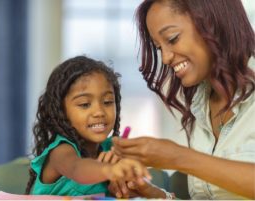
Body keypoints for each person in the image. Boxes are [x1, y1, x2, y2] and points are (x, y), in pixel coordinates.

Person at [112, 0, 255, 199]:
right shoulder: (201, 105)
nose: (165, 58)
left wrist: (179, 157)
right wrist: (155, 195)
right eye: (159, 47)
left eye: (172, 39)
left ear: (213, 22)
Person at [25, 56, 151, 196]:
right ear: (61, 111)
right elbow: (77, 169)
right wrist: (109, 170)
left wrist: (127, 184)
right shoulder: (60, 151)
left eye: (108, 102)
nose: (99, 112)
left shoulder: (112, 150)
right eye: (85, 104)